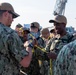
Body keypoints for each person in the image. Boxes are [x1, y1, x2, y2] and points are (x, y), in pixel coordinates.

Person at [0, 2, 33, 75]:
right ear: (6, 14)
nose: (13, 20)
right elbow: (25, 62)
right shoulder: (9, 34)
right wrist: (29, 46)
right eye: (12, 16)